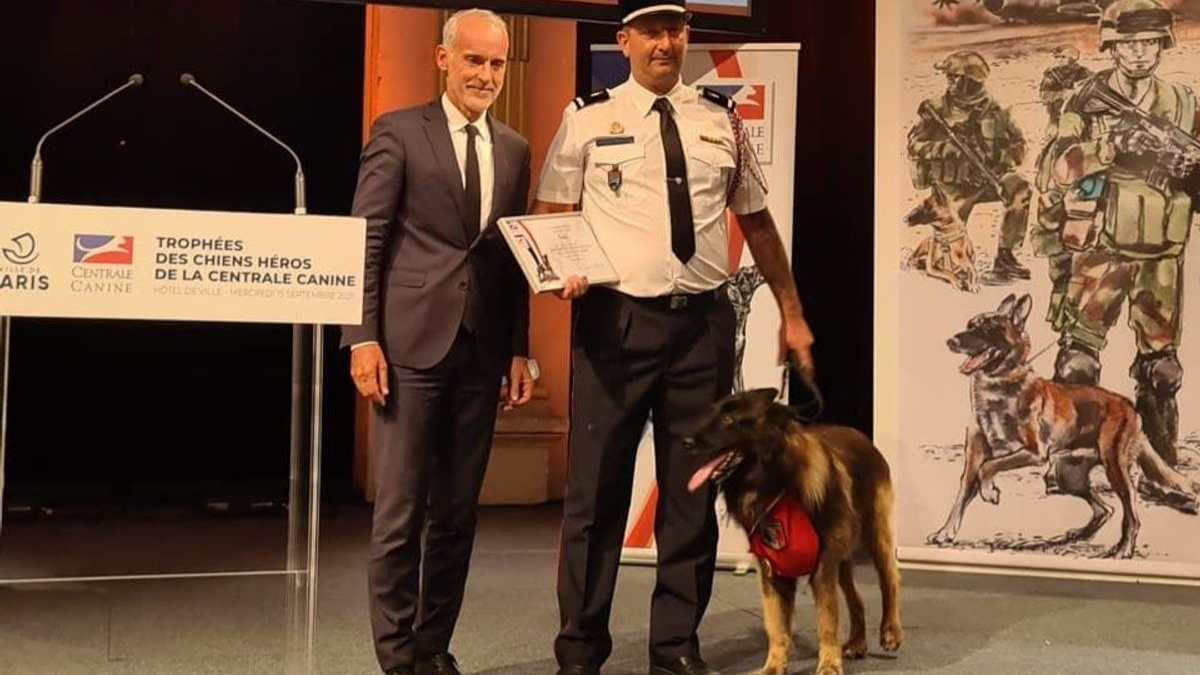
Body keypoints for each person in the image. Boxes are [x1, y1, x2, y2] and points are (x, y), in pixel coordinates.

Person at [530, 2, 815, 674]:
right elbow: (547, 213)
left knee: (691, 495)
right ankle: (579, 650)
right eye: (652, 31)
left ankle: (675, 645)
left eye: (677, 29)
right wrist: (556, 268)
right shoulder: (588, 117)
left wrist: (793, 311)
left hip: (702, 329)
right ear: (624, 40)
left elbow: (760, 223)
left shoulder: (720, 120)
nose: (667, 42)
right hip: (615, 323)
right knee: (596, 495)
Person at [339, 9, 534, 675]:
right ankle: (396, 660)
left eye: (496, 64)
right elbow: (364, 240)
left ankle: (432, 647)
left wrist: (517, 348)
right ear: (442, 59)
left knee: (455, 516)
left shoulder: (514, 147)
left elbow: (510, 257)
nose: (485, 74)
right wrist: (361, 337)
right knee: (398, 517)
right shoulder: (397, 131)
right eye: (474, 60)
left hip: (480, 353)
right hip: (405, 350)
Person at [1040, 0, 1197, 470]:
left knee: (1163, 368)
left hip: (1161, 252)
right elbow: (1055, 168)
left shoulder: (1184, 102)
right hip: (1100, 249)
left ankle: (1158, 460)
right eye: (1129, 44)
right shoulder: (1085, 101)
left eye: (1149, 43)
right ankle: (1069, 460)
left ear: (1162, 46)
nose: (1139, 54)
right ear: (1111, 47)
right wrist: (1111, 146)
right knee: (1078, 364)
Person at [907, 50, 1032, 282]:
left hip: (988, 177)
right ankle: (924, 255)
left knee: (1020, 188)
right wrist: (948, 151)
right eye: (949, 77)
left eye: (955, 77)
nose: (950, 82)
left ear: (971, 81)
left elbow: (1020, 145)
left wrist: (1004, 159)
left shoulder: (996, 110)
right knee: (950, 246)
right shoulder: (936, 109)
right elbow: (915, 145)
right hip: (953, 186)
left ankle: (1006, 257)